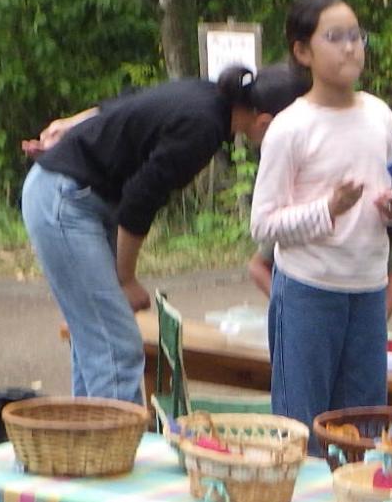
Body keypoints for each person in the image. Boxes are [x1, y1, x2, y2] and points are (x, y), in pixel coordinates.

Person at [21, 63, 302, 402]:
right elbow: (139, 201)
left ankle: (90, 443)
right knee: (118, 348)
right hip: (65, 203)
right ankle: (118, 451)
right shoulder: (203, 127)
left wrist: (69, 125)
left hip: (74, 193)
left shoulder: (207, 93)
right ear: (265, 123)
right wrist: (125, 279)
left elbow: (124, 104)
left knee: (97, 341)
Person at [250, 0, 392, 430]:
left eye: (357, 36)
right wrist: (328, 208)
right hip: (308, 291)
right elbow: (262, 223)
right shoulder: (290, 127)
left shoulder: (379, 115)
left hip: (369, 291)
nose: (351, 47)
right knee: (302, 428)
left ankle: (359, 499)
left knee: (362, 428)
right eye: (335, 37)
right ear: (303, 52)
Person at [250, 234, 392, 320]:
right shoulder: (301, 205)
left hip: (359, 323)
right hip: (307, 319)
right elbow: (258, 265)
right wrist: (288, 306)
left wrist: (377, 324)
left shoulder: (377, 210)